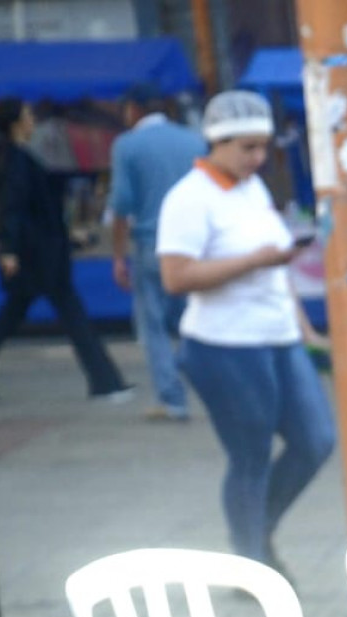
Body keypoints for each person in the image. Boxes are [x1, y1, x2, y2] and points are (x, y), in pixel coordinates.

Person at [157, 91, 336, 576]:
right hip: (224, 346)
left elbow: (277, 269)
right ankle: (252, 562)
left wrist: (306, 329)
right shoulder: (189, 199)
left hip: (279, 337)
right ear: (217, 142)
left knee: (316, 440)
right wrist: (253, 261)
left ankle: (256, 531)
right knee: (250, 455)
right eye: (247, 148)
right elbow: (176, 277)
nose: (257, 158)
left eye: (263, 147)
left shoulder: (252, 189)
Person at [0, 96, 134, 407]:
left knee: (14, 318)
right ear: (17, 122)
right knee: (68, 318)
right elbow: (13, 209)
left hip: (40, 253)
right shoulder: (15, 160)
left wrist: (66, 237)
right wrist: (8, 249)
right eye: (28, 115)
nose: (33, 120)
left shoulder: (17, 157)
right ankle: (105, 382)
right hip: (38, 257)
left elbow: (32, 211)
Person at [107, 86, 206, 423]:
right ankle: (218, 385)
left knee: (154, 327)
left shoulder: (127, 145)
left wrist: (118, 255)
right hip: (194, 244)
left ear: (133, 109)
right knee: (196, 320)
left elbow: (121, 203)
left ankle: (172, 398)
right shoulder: (193, 141)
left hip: (152, 243)